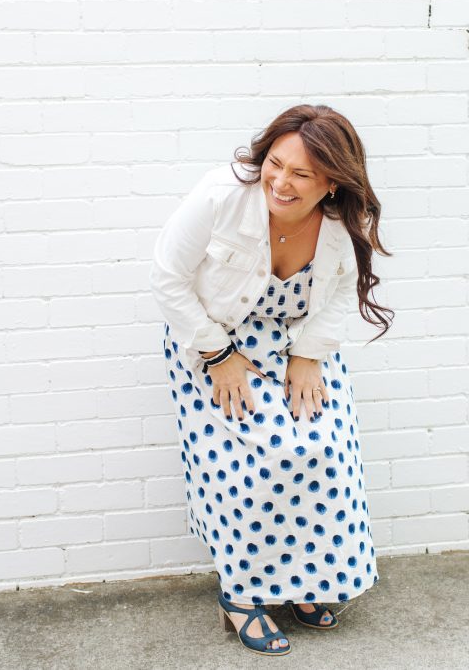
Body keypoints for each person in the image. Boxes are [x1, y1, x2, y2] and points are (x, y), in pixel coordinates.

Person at [149, 104, 394, 656]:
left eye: (301, 174)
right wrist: (217, 356)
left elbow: (338, 297)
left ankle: (307, 580)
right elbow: (166, 276)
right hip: (213, 339)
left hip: (297, 344)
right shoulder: (220, 195)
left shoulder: (344, 223)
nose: (280, 182)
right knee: (253, 463)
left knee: (325, 452)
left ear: (332, 183)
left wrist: (309, 356)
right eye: (276, 164)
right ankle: (240, 595)